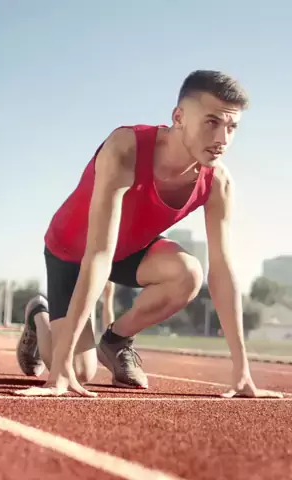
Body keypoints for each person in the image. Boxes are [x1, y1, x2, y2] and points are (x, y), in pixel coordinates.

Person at [15, 70, 283, 399]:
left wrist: (242, 371)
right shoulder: (126, 148)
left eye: (232, 127)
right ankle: (39, 316)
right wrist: (60, 367)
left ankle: (115, 341)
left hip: (130, 250)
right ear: (179, 117)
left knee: (189, 273)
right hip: (72, 252)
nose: (222, 139)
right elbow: (98, 253)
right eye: (212, 123)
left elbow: (223, 271)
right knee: (79, 371)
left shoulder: (218, 182)